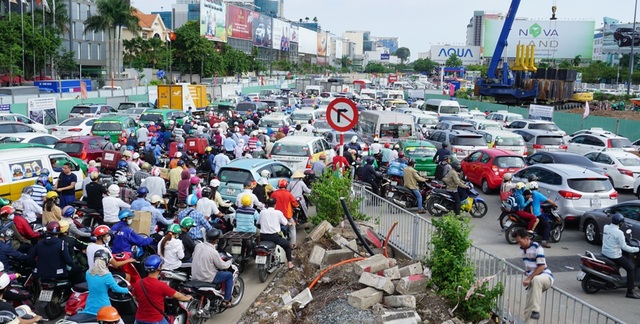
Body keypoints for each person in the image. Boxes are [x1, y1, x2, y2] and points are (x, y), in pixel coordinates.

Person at [132, 255, 192, 324]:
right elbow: (178, 295)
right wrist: (187, 298)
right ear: (159, 268)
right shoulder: (161, 285)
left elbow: (136, 298)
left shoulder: (139, 282)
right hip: (155, 320)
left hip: (139, 319)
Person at [512, 228, 554, 321]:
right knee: (528, 309)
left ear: (527, 238)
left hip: (545, 277)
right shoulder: (522, 249)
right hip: (534, 280)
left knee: (536, 280)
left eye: (520, 241)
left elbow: (541, 267)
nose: (519, 244)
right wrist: (527, 272)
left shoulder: (537, 247)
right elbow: (531, 265)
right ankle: (531, 315)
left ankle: (536, 310)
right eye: (517, 242)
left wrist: (528, 278)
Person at [191, 229, 234, 307]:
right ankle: (226, 300)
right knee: (229, 275)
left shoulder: (198, 245)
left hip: (195, 275)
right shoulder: (213, 252)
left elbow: (194, 256)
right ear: (217, 240)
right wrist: (230, 261)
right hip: (207, 277)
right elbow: (222, 266)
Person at [602, 213, 640, 299]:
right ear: (620, 223)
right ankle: (630, 292)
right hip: (614, 255)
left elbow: (612, 238)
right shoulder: (619, 232)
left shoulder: (606, 227)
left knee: (623, 256)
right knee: (630, 269)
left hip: (605, 252)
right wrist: (637, 249)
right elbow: (624, 247)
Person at [81, 250, 130, 316]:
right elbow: (116, 289)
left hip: (90, 305)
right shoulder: (107, 276)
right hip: (104, 306)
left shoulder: (88, 273)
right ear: (106, 261)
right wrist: (128, 289)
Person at [258, 198, 294, 269]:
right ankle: (290, 263)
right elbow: (286, 223)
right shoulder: (278, 213)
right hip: (274, 237)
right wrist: (289, 224)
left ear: (267, 205)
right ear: (275, 205)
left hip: (263, 236)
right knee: (287, 246)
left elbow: (258, 222)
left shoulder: (262, 212)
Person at [270, 179, 299, 248]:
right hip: (287, 216)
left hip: (275, 216)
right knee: (292, 229)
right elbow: (295, 204)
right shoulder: (288, 194)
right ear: (286, 185)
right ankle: (292, 245)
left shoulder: (274, 194)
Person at [528, 182, 557, 248]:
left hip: (528, 213)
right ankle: (544, 241)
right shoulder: (537, 194)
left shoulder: (528, 193)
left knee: (542, 224)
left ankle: (539, 234)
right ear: (537, 187)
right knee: (547, 225)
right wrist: (555, 204)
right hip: (536, 214)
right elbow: (548, 200)